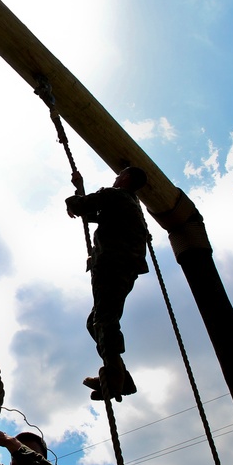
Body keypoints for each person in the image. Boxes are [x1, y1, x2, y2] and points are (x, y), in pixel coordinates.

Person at [64, 166, 149, 402]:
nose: (116, 177)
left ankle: (114, 376)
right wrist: (79, 189)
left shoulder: (117, 195)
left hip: (112, 263)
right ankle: (121, 375)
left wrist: (73, 198)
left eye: (120, 174)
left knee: (103, 320)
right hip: (124, 268)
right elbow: (92, 215)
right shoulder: (129, 204)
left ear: (127, 178)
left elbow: (81, 206)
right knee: (96, 321)